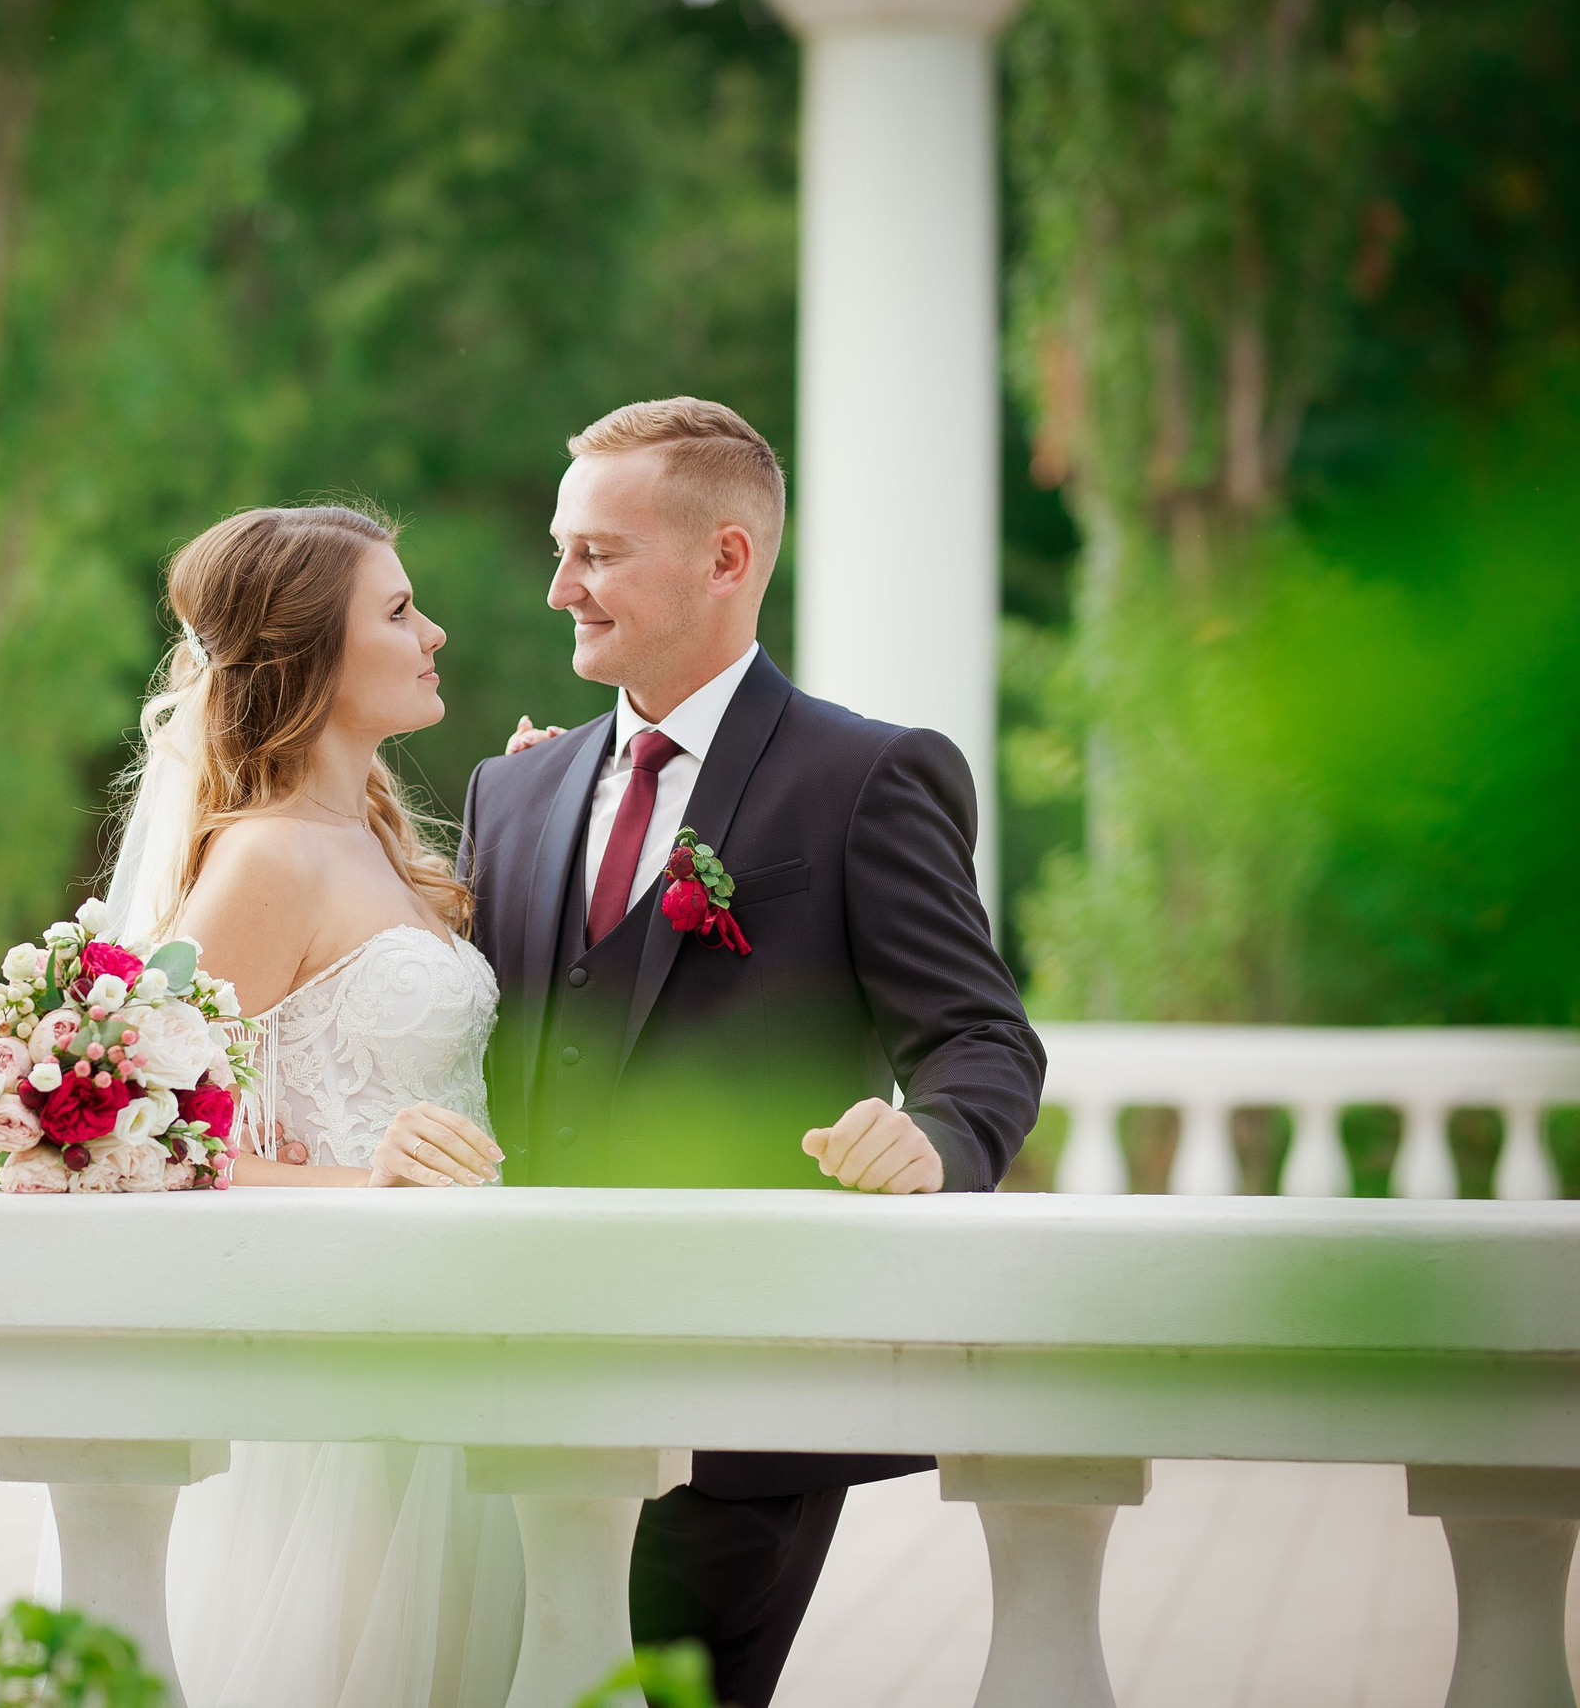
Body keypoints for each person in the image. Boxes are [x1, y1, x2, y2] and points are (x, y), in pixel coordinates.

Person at [464, 397, 1047, 1705]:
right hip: (501, 1379)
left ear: (728, 557)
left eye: (598, 553)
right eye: (563, 550)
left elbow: (978, 1037)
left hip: (742, 1394)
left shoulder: (866, 776)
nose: (561, 586)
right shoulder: (513, 794)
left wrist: (936, 1141)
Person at [104, 503, 520, 1708]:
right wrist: (360, 1182)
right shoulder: (266, 861)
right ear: (307, 654)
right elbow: (139, 1146)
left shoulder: (379, 837)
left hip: (453, 1327)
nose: (431, 630)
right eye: (397, 611)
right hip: (341, 1370)